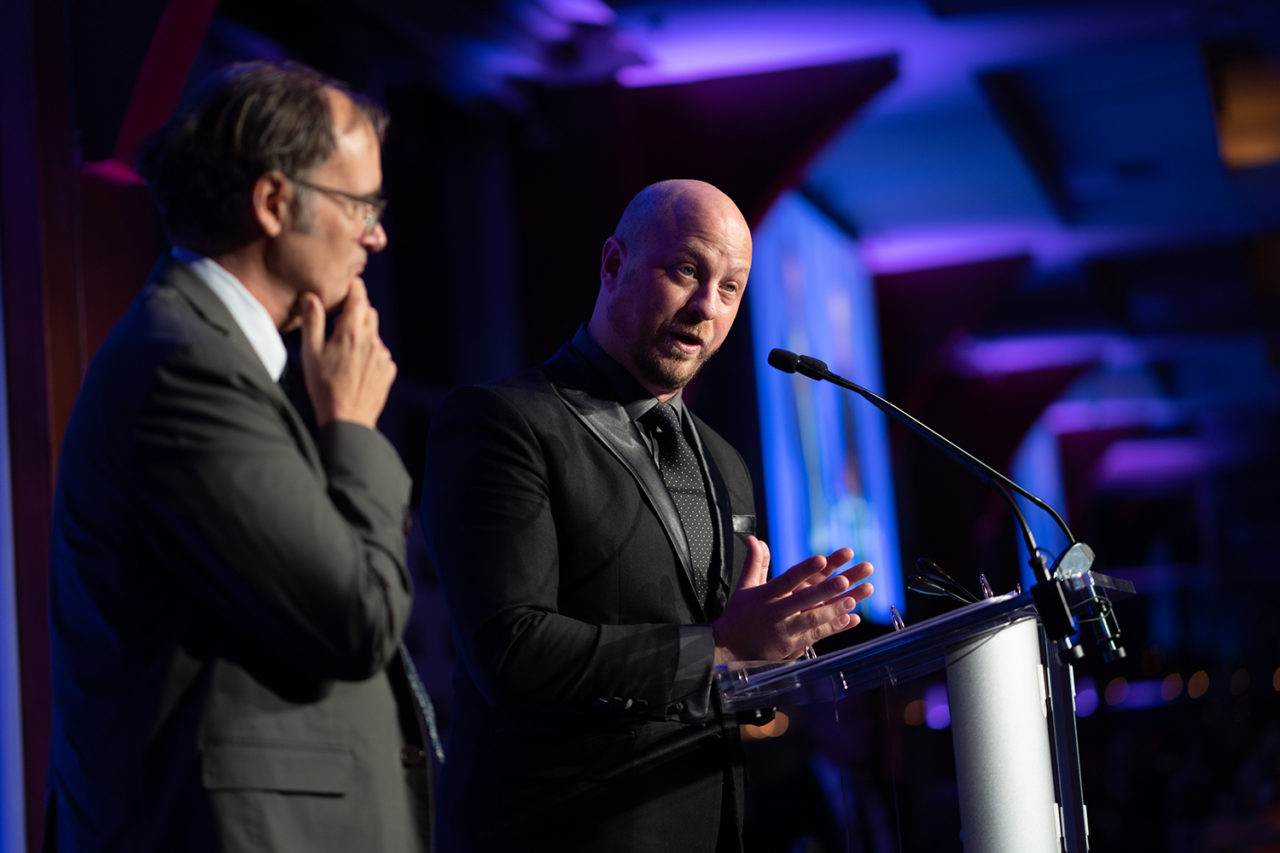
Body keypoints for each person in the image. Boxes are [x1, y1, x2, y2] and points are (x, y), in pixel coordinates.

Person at [421, 178, 875, 852]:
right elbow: (510, 650)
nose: (705, 306)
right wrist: (724, 642)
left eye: (730, 288)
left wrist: (771, 654)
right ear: (612, 265)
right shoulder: (503, 422)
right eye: (686, 270)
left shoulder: (724, 462)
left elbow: (713, 677)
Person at [45, 61, 432, 851]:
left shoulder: (222, 357)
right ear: (274, 201)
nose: (377, 233)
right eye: (360, 203)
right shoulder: (182, 363)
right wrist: (353, 429)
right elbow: (355, 615)